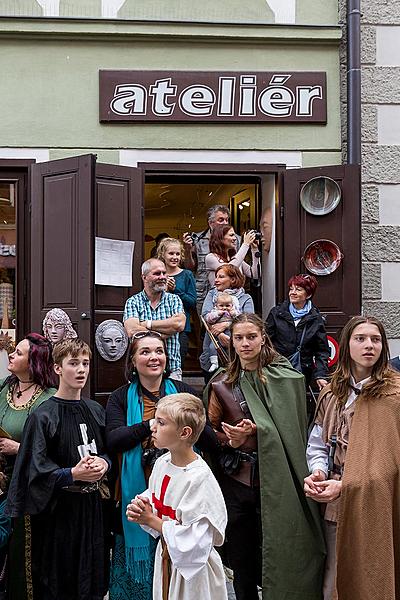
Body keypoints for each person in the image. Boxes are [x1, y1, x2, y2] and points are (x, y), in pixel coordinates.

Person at [206, 313, 325, 600]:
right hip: (238, 482)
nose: (245, 343)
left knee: (283, 549)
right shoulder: (222, 382)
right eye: (239, 338)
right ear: (231, 342)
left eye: (251, 336)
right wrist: (232, 440)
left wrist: (259, 432)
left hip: (279, 479)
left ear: (263, 338)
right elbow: (208, 431)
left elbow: (293, 430)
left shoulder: (288, 378)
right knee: (243, 561)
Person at [105, 331, 209, 600]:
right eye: (145, 351)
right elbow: (115, 439)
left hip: (178, 499)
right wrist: (152, 425)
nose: (154, 357)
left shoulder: (184, 393)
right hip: (134, 496)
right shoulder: (119, 397)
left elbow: (205, 436)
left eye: (159, 351)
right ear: (133, 360)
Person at [6, 338, 111, 600]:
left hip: (91, 512)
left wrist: (104, 463)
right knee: (59, 581)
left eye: (85, 363)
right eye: (73, 363)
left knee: (90, 577)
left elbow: (108, 451)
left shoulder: (96, 410)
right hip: (58, 514)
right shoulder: (43, 415)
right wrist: (72, 474)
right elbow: (34, 469)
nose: (81, 370)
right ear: (57, 368)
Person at [304, 315, 400, 600]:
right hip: (333, 502)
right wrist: (319, 472)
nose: (369, 345)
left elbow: (389, 462)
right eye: (360, 339)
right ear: (346, 345)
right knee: (335, 579)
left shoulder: (394, 395)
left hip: (378, 502)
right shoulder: (332, 393)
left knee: (372, 574)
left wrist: (346, 484)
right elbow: (318, 443)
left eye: (376, 339)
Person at [126, 392, 228, 600]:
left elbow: (197, 541)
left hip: (193, 573)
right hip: (167, 557)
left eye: (162, 423)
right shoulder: (163, 463)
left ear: (184, 432)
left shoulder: (199, 478)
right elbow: (157, 499)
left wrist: (152, 520)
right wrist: (141, 507)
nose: (153, 427)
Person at [0, 333, 57, 600]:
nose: (11, 355)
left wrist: (18, 448)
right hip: (0, 480)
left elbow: (56, 451)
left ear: (34, 361)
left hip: (27, 486)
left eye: (19, 353)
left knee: (21, 554)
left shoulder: (50, 399)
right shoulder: (3, 388)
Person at [123, 258, 186, 380]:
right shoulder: (133, 302)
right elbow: (132, 331)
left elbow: (179, 324)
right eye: (157, 273)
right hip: (141, 371)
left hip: (171, 368)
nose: (162, 277)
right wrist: (164, 333)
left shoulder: (174, 300)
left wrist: (147, 324)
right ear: (144, 277)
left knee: (172, 400)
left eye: (164, 273)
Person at [266, 273, 329, 390]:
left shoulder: (316, 319)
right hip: (277, 369)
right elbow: (265, 340)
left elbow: (322, 350)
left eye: (298, 289)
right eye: (291, 289)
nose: (292, 292)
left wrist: (321, 375)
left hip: (302, 371)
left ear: (308, 294)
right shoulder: (277, 313)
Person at [182, 204, 239, 314]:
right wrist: (187, 250)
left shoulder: (234, 239)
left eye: (227, 220)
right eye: (221, 220)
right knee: (204, 325)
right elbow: (190, 267)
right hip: (202, 291)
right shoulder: (198, 239)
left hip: (228, 292)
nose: (225, 223)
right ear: (210, 223)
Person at [200, 265, 254, 373]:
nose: (216, 280)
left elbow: (249, 321)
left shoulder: (245, 298)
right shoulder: (212, 295)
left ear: (233, 279)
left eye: (221, 277)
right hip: (213, 346)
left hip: (237, 350)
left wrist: (227, 324)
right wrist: (219, 334)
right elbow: (205, 316)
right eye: (216, 277)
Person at [156, 238, 196, 366]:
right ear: (163, 255)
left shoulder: (187, 275)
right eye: (171, 253)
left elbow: (192, 302)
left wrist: (176, 290)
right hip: (159, 326)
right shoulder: (157, 274)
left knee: (177, 366)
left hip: (181, 329)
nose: (175, 257)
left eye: (177, 254)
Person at [204, 291, 241, 372]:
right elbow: (208, 319)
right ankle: (214, 362)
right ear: (216, 305)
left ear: (232, 305)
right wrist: (218, 314)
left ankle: (231, 362)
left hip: (230, 333)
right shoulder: (214, 312)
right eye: (221, 306)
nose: (224, 308)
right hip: (216, 335)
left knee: (231, 348)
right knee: (212, 347)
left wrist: (233, 313)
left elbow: (240, 319)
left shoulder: (233, 311)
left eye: (228, 305)